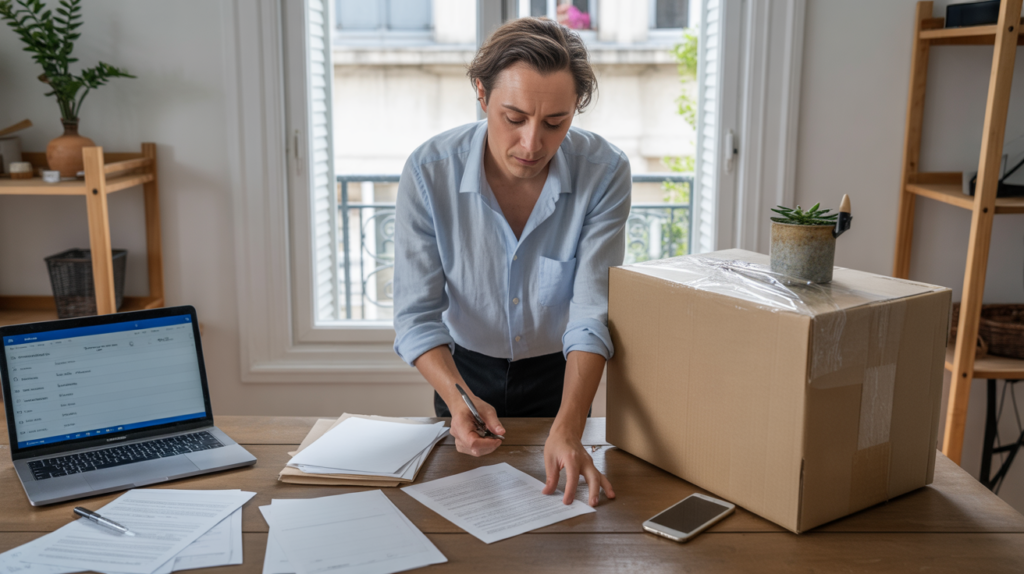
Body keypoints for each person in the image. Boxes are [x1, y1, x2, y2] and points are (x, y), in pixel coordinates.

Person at [392, 17, 630, 507]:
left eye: (554, 123)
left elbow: (590, 314)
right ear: (481, 94)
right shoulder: (426, 172)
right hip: (463, 372)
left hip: (561, 374)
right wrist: (458, 399)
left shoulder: (605, 172)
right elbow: (416, 317)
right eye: (514, 117)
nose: (531, 145)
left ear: (575, 111)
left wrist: (571, 425)